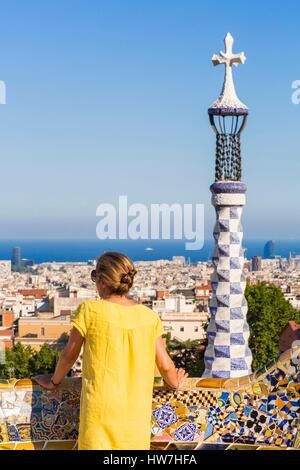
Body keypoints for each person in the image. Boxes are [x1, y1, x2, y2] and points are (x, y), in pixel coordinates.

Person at [35, 252, 188, 450]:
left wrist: (53, 381)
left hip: (99, 415)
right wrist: (176, 382)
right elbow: (165, 365)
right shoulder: (149, 316)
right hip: (135, 420)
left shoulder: (89, 310)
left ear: (102, 281)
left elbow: (69, 354)